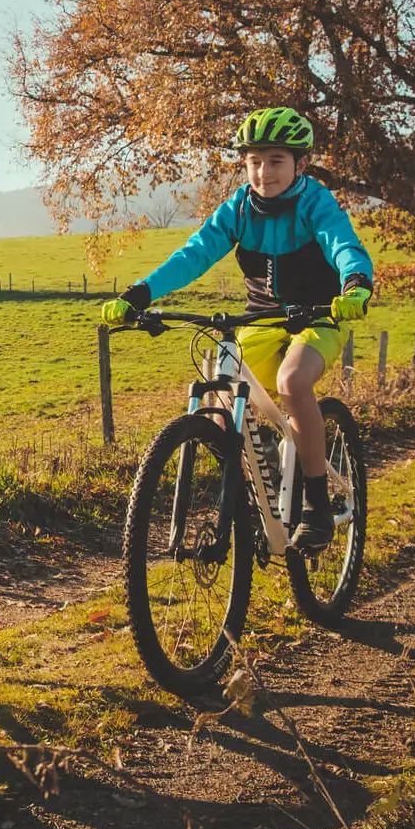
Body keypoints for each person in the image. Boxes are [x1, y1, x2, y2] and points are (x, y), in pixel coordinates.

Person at [101, 107, 374, 554]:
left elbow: (343, 245)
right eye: (254, 162)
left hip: (322, 314)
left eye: (275, 161)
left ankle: (317, 507)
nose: (263, 172)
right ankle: (255, 492)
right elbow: (194, 255)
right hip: (262, 318)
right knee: (228, 397)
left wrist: (356, 284)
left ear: (300, 164)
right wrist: (140, 295)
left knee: (292, 381)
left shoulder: (314, 203)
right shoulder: (239, 209)